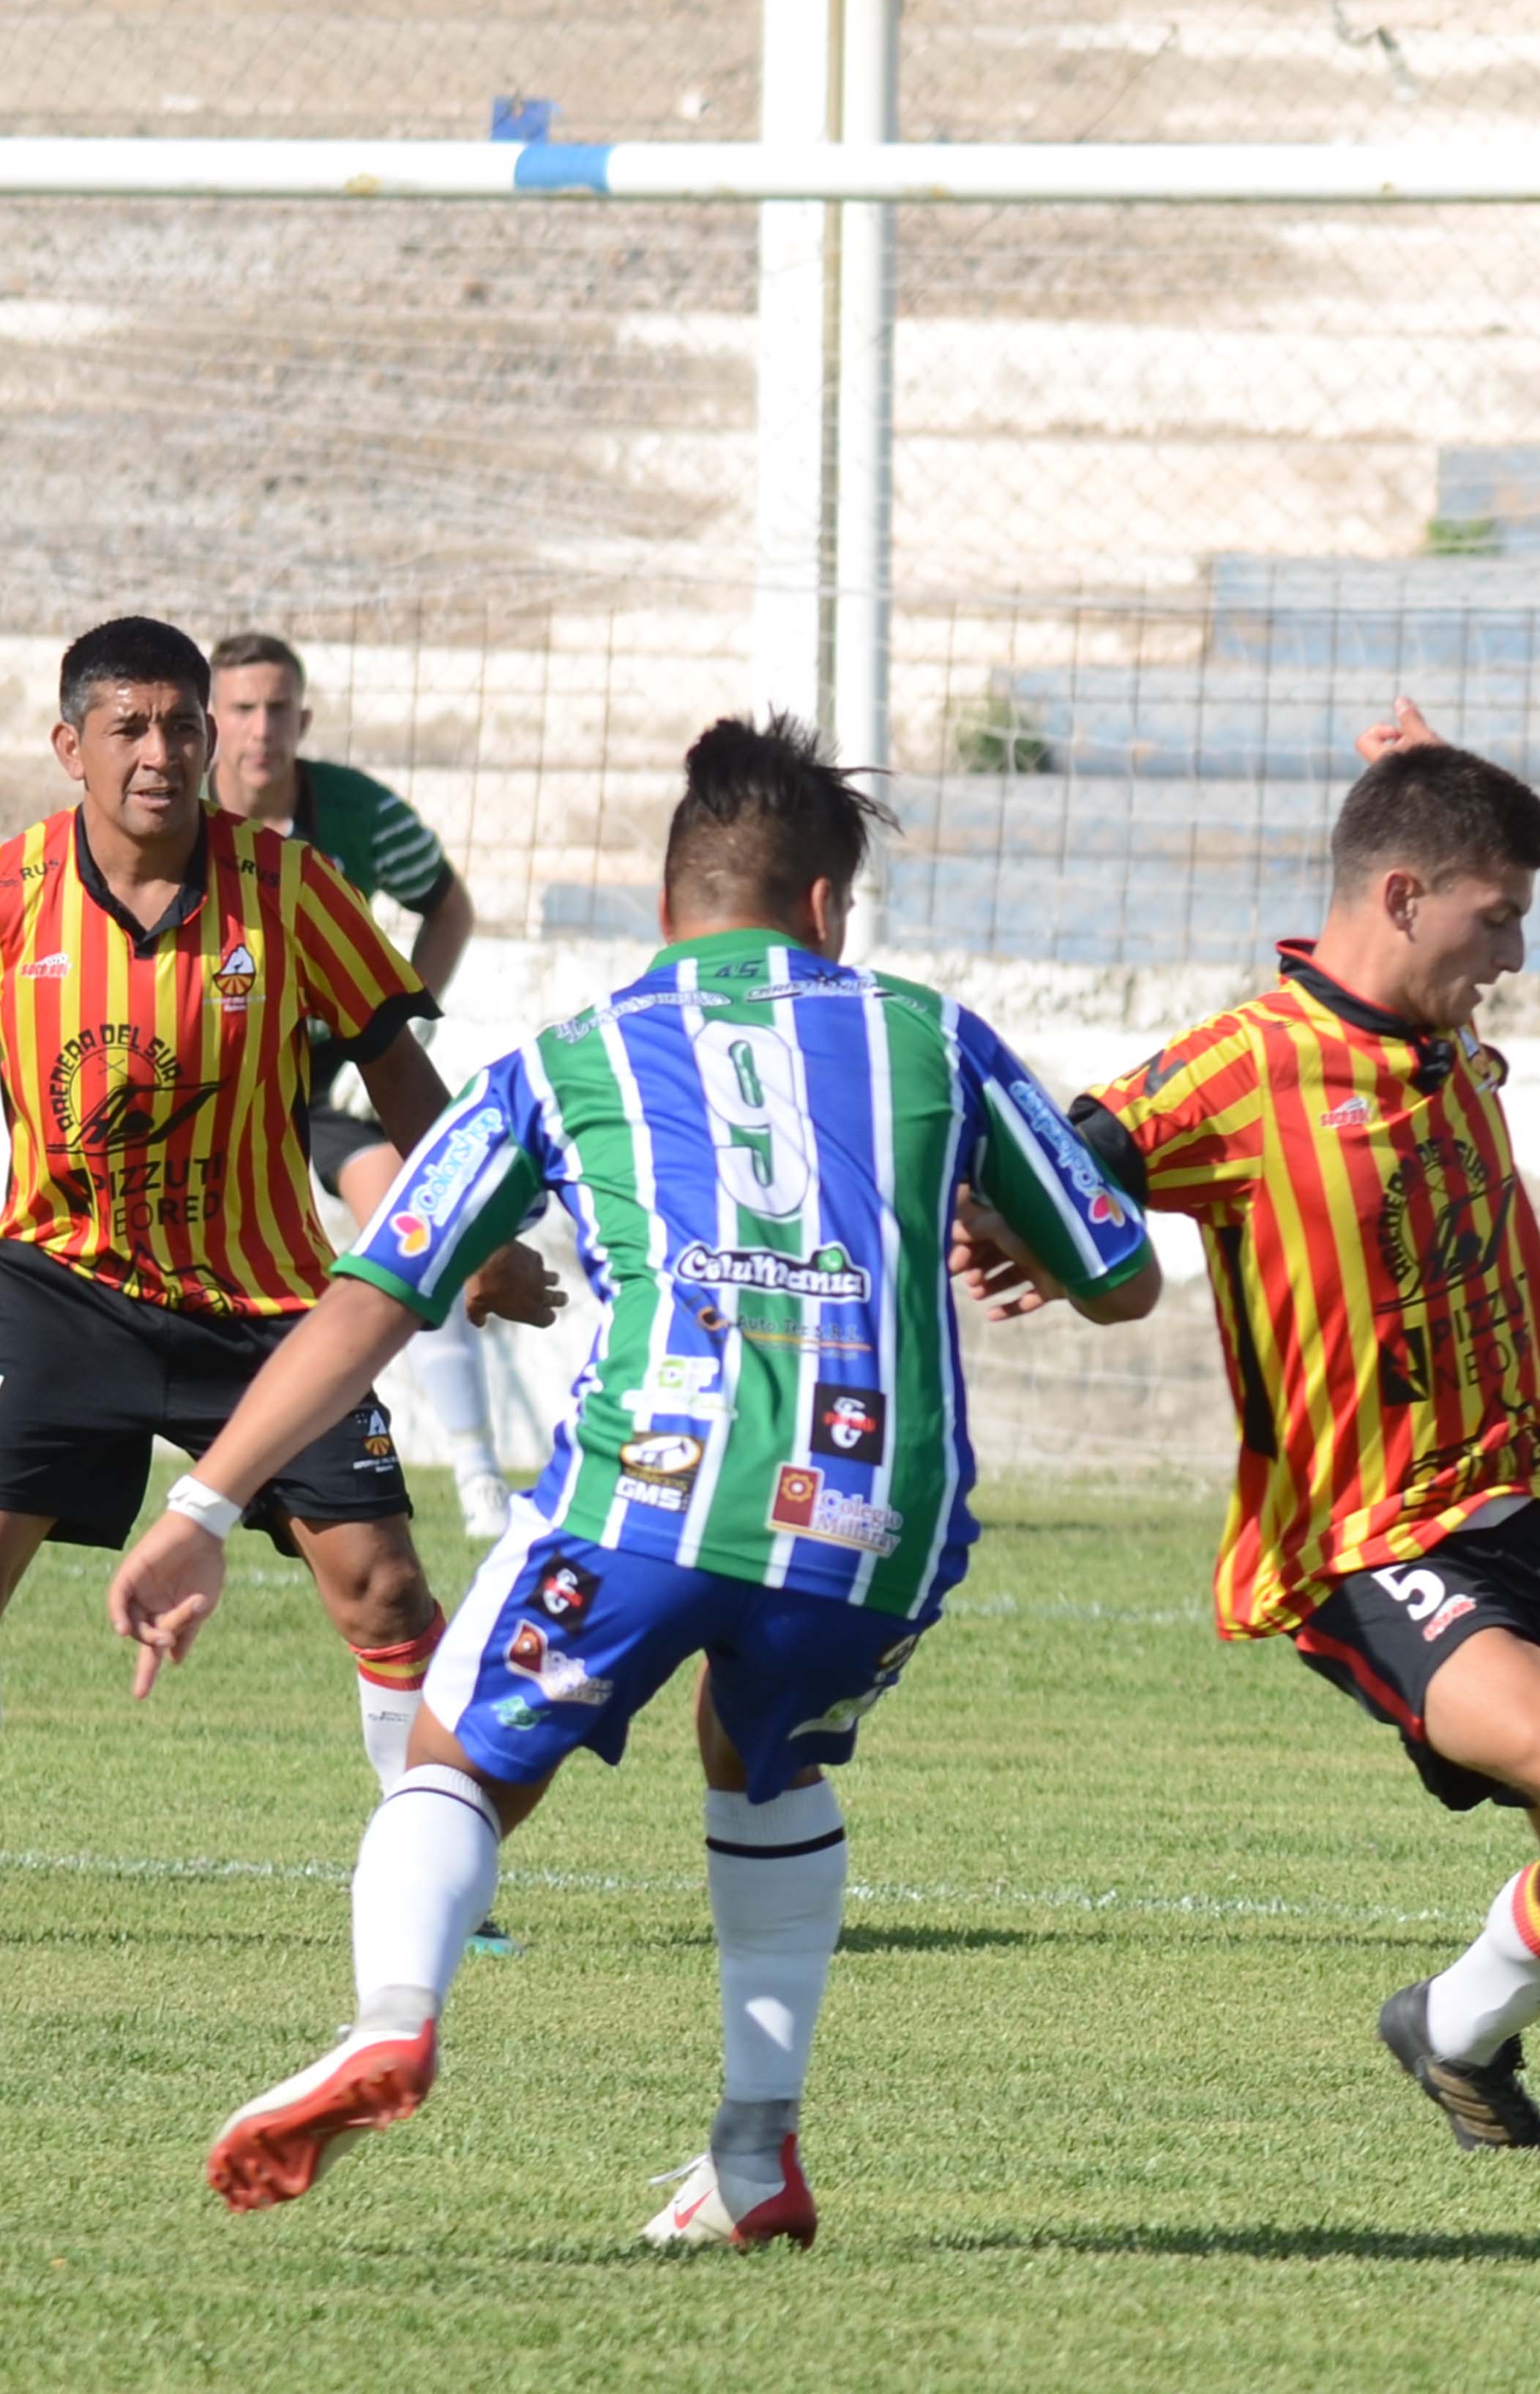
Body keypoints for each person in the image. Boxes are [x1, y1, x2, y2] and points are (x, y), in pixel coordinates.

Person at [109, 714, 1162, 2242]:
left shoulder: (569, 1057)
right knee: (763, 1759)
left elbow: (374, 1295)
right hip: (880, 1514)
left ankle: (392, 2016)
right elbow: (1123, 1274)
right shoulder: (935, 1036)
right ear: (824, 906)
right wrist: (1008, 1231)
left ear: (669, 903)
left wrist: (204, 1505)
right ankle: (755, 2153)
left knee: (459, 1761)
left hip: (655, 1487)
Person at [1010, 699, 1540, 2193]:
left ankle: (1451, 2030)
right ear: (1404, 898)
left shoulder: (1439, 1024)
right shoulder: (1244, 1069)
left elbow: (1425, 846)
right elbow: (1077, 1151)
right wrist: (1024, 1219)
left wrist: (1421, 769)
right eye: (1498, 917)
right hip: (1368, 1535)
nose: (1515, 953)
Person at [0, 615, 553, 1779]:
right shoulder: (12, 895)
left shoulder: (291, 888)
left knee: (385, 1590)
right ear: (70, 746)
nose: (161, 753)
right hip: (62, 1285)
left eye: (182, 726)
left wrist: (484, 1239)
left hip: (263, 1304)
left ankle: (427, 1846)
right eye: (129, 728)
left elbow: (400, 1074)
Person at [209, 630, 521, 1542]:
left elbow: (448, 903)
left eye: (278, 709)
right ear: (212, 721)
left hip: (342, 1073)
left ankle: (478, 1473)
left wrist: (400, 1022)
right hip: (227, 1079)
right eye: (242, 709)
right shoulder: (179, 817)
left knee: (419, 1228)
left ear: (303, 720)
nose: (261, 728)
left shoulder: (359, 813)